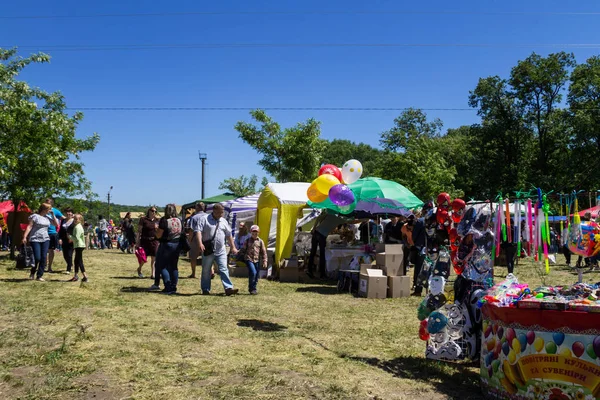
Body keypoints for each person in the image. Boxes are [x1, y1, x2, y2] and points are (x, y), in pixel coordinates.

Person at [198, 203, 239, 296]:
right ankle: (205, 289)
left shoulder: (223, 221)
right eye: (220, 213)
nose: (222, 214)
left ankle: (228, 288)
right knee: (206, 270)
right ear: (214, 211)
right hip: (208, 250)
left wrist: (233, 247)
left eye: (222, 213)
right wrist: (200, 243)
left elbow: (229, 234)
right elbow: (198, 232)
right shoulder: (204, 219)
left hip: (221, 250)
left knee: (224, 268)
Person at [23, 202, 58, 281]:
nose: (50, 210)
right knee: (37, 257)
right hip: (35, 238)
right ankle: (32, 272)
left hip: (45, 239)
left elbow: (56, 224)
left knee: (43, 257)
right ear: (44, 209)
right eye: (49, 209)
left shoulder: (48, 217)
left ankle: (39, 275)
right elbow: (29, 226)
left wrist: (53, 215)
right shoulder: (35, 216)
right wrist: (25, 236)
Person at [307, 211, 345, 279]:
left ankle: (309, 270)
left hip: (316, 232)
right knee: (322, 254)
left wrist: (314, 227)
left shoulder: (329, 214)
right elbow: (351, 222)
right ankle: (322, 274)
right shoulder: (340, 220)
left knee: (313, 252)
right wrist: (363, 219)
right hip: (322, 236)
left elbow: (318, 218)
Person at [154, 204, 183, 294]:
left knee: (163, 266)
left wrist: (156, 230)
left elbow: (159, 235)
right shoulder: (179, 220)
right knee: (174, 266)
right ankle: (174, 286)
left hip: (167, 244)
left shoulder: (164, 221)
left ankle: (167, 286)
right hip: (177, 244)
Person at [242, 225, 268, 295]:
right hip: (249, 259)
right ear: (251, 233)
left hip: (256, 260)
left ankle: (253, 288)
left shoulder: (260, 241)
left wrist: (265, 261)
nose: (254, 235)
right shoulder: (247, 241)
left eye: (256, 233)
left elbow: (264, 252)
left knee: (256, 275)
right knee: (253, 272)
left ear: (258, 233)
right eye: (253, 233)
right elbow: (243, 250)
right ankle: (251, 288)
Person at [136, 207, 159, 279]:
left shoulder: (157, 220)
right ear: (149, 211)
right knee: (143, 258)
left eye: (155, 211)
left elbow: (159, 231)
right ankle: (139, 269)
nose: (154, 212)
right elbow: (139, 231)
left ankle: (153, 274)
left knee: (154, 258)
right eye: (152, 211)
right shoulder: (143, 219)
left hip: (154, 241)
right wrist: (137, 241)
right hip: (145, 240)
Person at [188, 202, 207, 279]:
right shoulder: (208, 216)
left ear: (198, 208)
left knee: (193, 257)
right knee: (208, 256)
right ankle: (211, 271)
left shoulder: (194, 217)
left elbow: (191, 230)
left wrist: (189, 239)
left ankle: (193, 273)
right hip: (206, 238)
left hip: (196, 238)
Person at [45, 198, 64, 272]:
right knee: (43, 251)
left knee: (50, 250)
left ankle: (49, 267)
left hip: (52, 233)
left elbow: (63, 218)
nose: (47, 204)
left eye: (48, 202)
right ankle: (44, 265)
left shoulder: (55, 211)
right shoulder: (42, 211)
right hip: (43, 232)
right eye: (46, 202)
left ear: (51, 203)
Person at [410, 212, 427, 296]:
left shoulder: (420, 221)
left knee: (419, 270)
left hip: (420, 248)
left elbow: (414, 236)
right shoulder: (436, 220)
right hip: (433, 249)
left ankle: (418, 290)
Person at [68, 214, 88, 282]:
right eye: (74, 219)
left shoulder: (77, 227)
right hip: (78, 245)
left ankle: (85, 276)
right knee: (76, 261)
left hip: (79, 245)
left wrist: (69, 236)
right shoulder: (78, 226)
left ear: (80, 220)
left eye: (76, 219)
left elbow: (76, 238)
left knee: (79, 261)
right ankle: (76, 275)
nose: (75, 220)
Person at [58, 208, 75, 275]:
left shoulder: (74, 221)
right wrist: (59, 238)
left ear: (72, 213)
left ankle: (68, 268)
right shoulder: (63, 220)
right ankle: (70, 264)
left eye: (70, 212)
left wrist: (72, 238)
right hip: (64, 239)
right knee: (65, 255)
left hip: (71, 239)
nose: (68, 213)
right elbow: (60, 231)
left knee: (69, 254)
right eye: (67, 212)